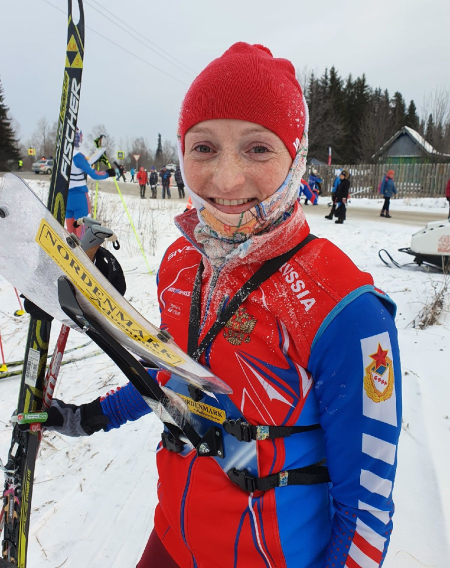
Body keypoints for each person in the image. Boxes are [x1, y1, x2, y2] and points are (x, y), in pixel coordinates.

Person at [38, 43, 401, 568]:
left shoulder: (343, 310)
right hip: (171, 539)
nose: (227, 180)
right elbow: (176, 377)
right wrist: (89, 417)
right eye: (204, 147)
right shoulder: (181, 263)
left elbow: (366, 515)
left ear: (296, 159)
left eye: (258, 148)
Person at [66, 128, 116, 238]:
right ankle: (81, 249)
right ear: (77, 138)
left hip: (67, 197)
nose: (82, 139)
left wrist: (97, 153)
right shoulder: (78, 156)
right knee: (82, 235)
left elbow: (83, 166)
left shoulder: (63, 155)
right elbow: (93, 174)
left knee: (70, 234)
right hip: (79, 197)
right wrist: (108, 173)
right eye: (81, 137)